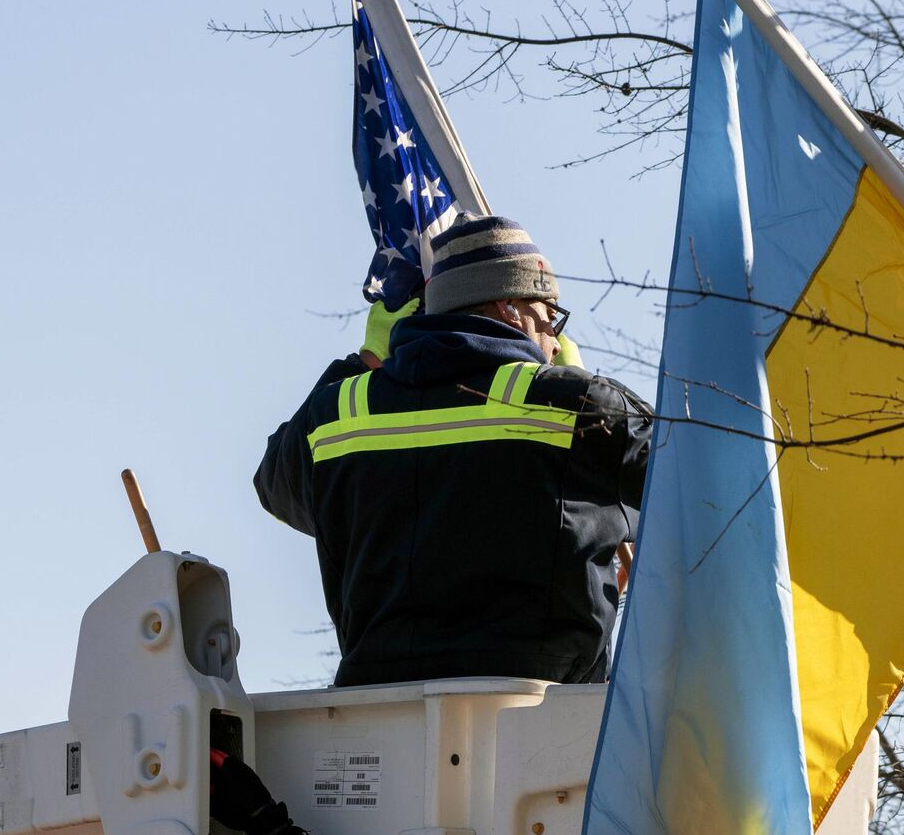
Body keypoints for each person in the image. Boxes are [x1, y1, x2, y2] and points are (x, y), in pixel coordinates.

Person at [255, 214, 652, 687]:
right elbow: (704, 477)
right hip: (545, 724)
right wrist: (587, 394)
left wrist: (362, 364)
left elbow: (274, 485)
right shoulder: (577, 408)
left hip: (377, 718)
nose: (553, 342)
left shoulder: (339, 413)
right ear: (510, 307)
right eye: (552, 319)